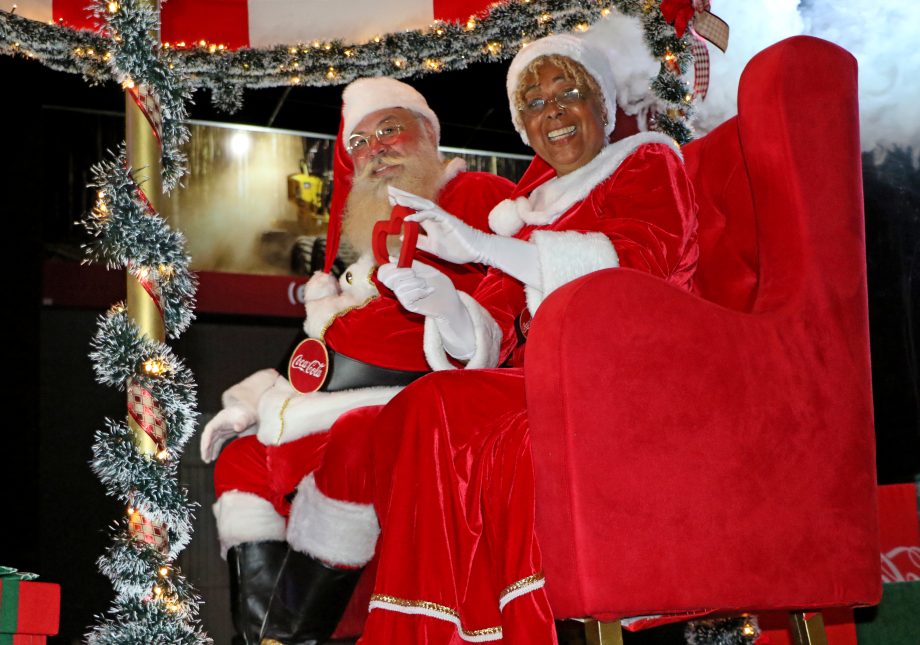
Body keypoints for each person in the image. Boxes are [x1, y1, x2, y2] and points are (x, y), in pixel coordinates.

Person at [291, 24, 700, 644]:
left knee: (445, 413)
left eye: (568, 93)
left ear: (603, 102)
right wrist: (443, 305)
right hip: (546, 381)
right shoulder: (529, 208)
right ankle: (433, 627)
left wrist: (485, 245)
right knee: (424, 405)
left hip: (634, 379)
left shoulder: (646, 161)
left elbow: (638, 262)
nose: (552, 114)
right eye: (533, 104)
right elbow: (493, 330)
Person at [200, 77, 514, 645]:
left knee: (355, 440)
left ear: (428, 135)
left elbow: (493, 311)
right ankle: (260, 636)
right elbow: (318, 352)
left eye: (389, 131)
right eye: (361, 143)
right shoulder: (364, 250)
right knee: (239, 460)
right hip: (320, 411)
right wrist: (251, 401)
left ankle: (294, 636)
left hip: (407, 405)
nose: (376, 150)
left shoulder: (473, 194)